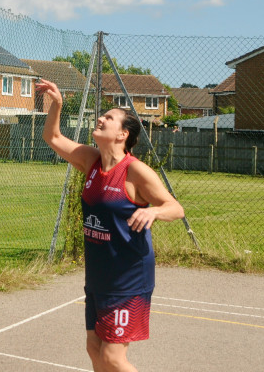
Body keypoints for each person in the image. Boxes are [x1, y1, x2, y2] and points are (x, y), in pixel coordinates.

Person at [35, 79, 184, 372]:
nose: (101, 118)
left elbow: (175, 208)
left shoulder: (135, 171)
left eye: (110, 118)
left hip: (128, 279)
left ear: (122, 134)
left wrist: (153, 213)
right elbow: (52, 137)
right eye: (103, 115)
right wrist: (58, 105)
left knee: (113, 358)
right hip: (99, 276)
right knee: (94, 349)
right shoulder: (90, 161)